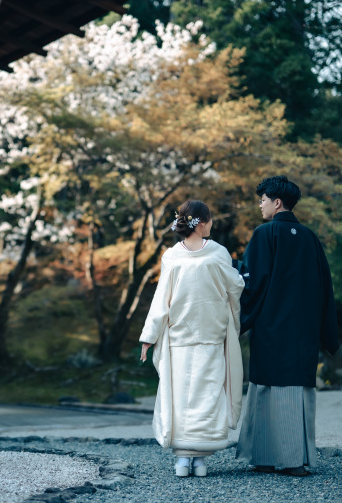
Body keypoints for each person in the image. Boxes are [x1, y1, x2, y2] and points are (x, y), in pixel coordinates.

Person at [236, 175, 340, 477]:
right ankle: (295, 460)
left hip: (270, 327)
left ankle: (265, 457)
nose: (260, 205)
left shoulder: (264, 234)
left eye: (263, 200)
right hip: (304, 330)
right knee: (297, 389)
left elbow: (251, 283)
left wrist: (237, 321)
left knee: (267, 389)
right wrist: (327, 333)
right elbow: (325, 288)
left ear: (277, 202)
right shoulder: (310, 238)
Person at [139, 200, 245, 477]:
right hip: (210, 335)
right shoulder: (218, 253)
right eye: (210, 221)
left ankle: (184, 460)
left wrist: (150, 336)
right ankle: (198, 461)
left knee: (181, 397)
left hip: (180, 336)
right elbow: (235, 287)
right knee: (208, 395)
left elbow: (161, 300)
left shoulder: (172, 256)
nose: (212, 225)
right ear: (202, 223)